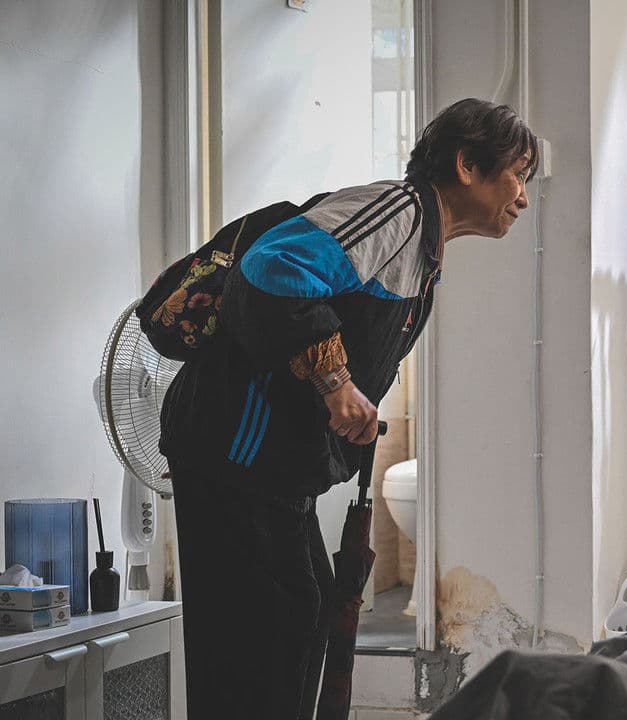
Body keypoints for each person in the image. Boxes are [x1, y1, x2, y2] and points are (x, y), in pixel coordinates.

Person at [159, 98, 538, 719]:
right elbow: (273, 266)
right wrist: (336, 381)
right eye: (517, 175)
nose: (522, 197)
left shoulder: (424, 246)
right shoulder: (399, 212)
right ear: (467, 165)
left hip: (272, 469)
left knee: (302, 615)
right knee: (263, 638)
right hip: (235, 455)